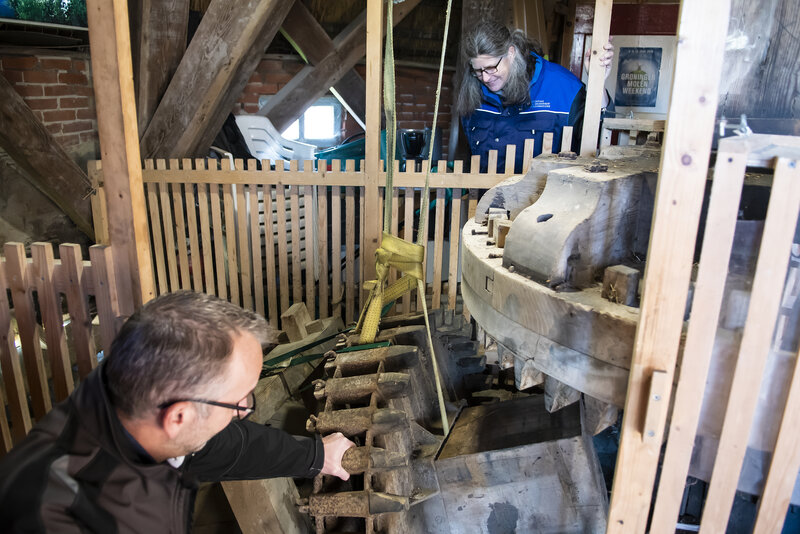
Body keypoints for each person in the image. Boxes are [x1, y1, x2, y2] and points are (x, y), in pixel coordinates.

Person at [0, 291, 355, 533]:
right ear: (179, 418)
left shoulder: (138, 408)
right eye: (239, 402)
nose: (246, 411)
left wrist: (316, 455)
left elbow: (227, 446)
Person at [457, 20, 614, 173]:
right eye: (477, 70)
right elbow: (467, 158)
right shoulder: (472, 94)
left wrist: (597, 82)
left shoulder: (563, 88)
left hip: (546, 198)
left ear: (511, 53)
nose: (485, 78)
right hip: (486, 198)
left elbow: (598, 137)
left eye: (491, 68)